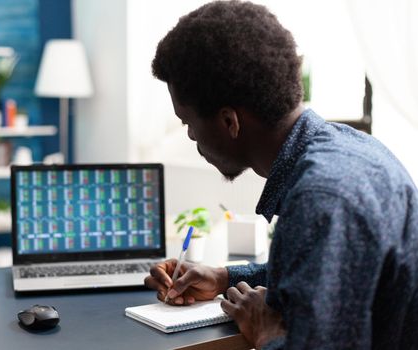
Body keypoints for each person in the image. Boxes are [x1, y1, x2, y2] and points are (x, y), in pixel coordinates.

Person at [143, 1, 418, 349]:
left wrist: (265, 332)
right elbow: (324, 272)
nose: (190, 136)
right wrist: (224, 277)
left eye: (188, 122)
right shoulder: (354, 148)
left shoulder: (323, 196)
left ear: (230, 122)